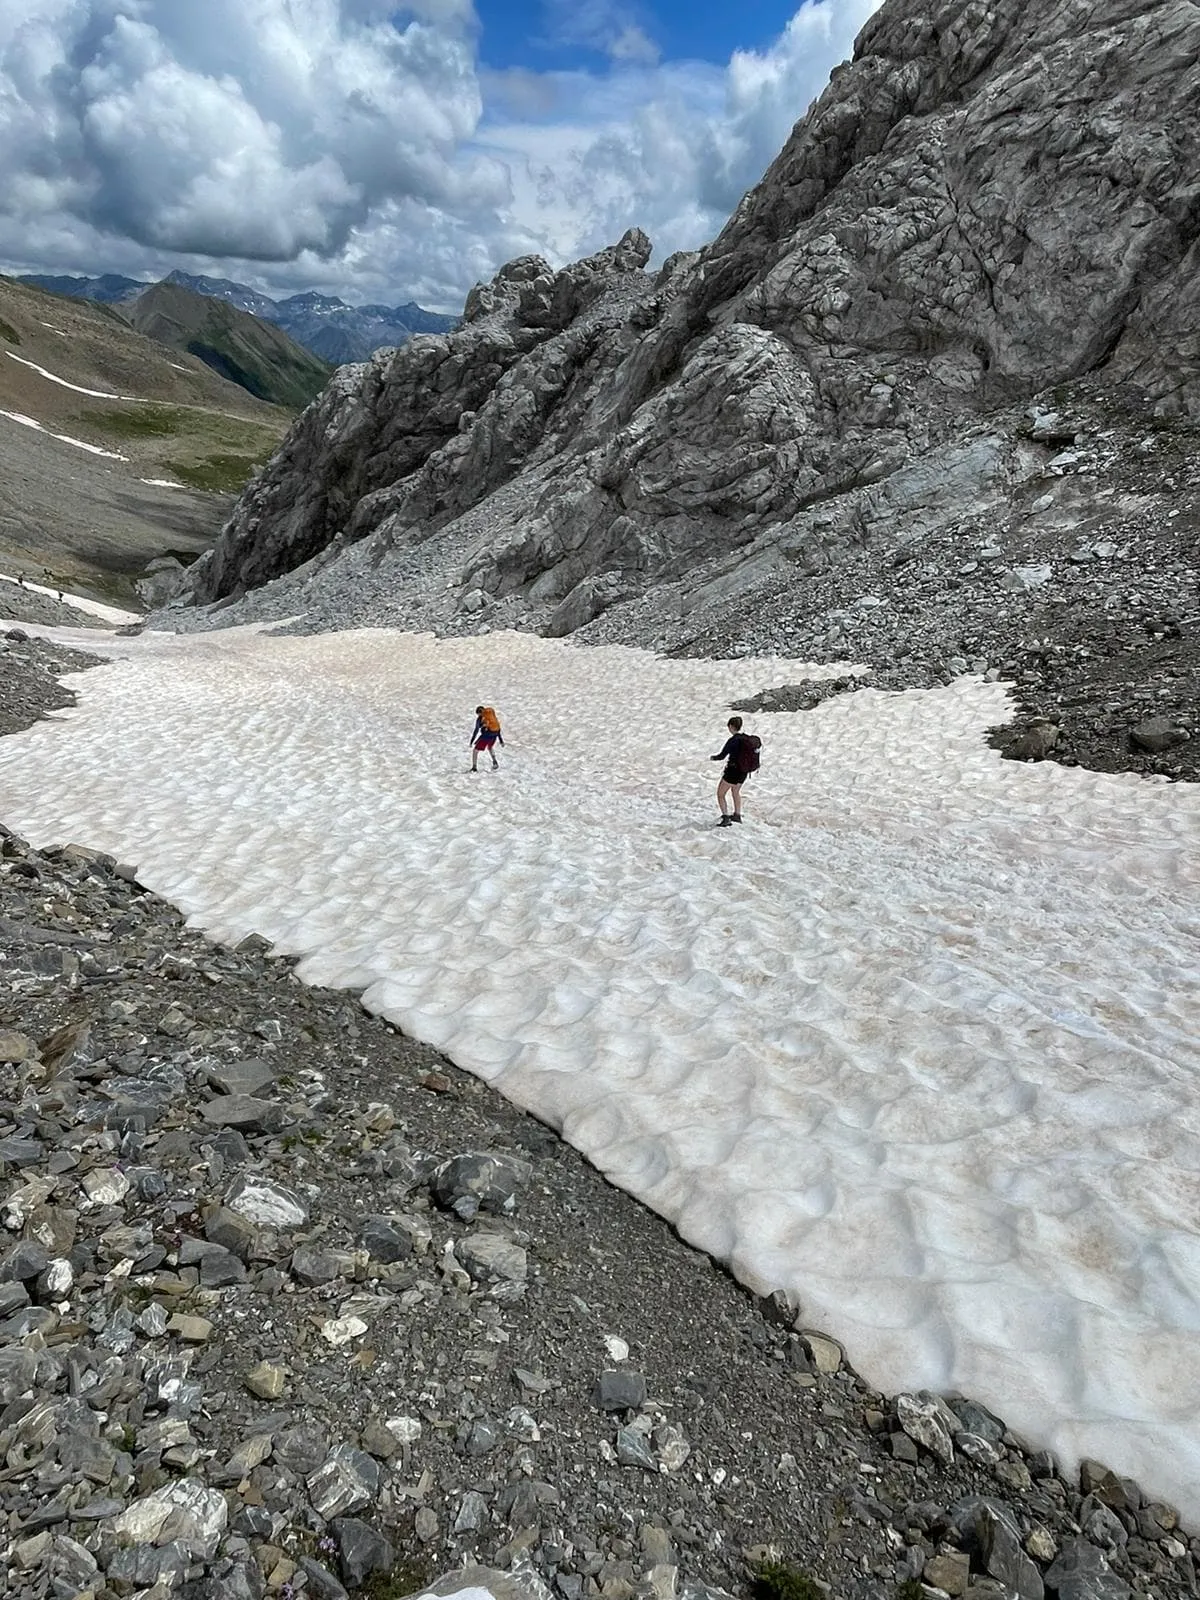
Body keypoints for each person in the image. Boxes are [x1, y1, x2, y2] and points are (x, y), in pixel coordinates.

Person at [710, 715, 759, 826]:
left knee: (720, 794)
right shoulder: (746, 739)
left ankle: (725, 817)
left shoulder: (733, 740)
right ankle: (737, 815)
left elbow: (722, 756)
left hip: (732, 771)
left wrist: (712, 758)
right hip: (744, 772)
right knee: (735, 791)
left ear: (731, 726)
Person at [469, 705, 504, 771]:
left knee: (475, 750)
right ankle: (495, 762)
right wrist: (501, 740)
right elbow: (498, 728)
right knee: (490, 747)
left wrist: (472, 741)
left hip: (486, 736)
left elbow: (476, 730)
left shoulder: (481, 719)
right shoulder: (491, 716)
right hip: (495, 734)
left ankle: (474, 767)